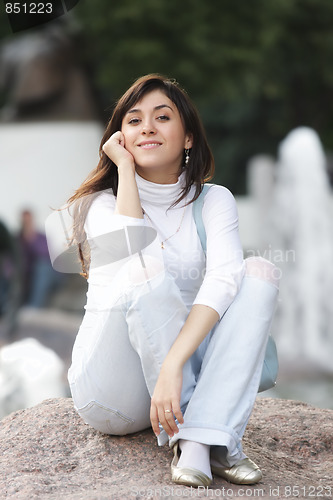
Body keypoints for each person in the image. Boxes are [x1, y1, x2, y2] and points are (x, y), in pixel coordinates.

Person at [66, 74, 279, 487]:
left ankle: (200, 439)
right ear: (120, 140)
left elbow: (223, 281)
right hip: (113, 388)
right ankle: (203, 434)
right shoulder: (100, 205)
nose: (147, 126)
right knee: (145, 266)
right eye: (133, 120)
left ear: (188, 138)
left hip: (177, 378)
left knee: (258, 273)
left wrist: (172, 365)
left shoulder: (214, 200)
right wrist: (124, 171)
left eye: (162, 117)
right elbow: (133, 261)